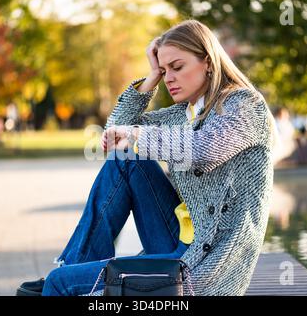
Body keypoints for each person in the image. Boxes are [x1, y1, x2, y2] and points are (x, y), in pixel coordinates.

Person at [17, 19, 276, 296]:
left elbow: (202, 151)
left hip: (206, 266)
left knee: (59, 284)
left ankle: (70, 277)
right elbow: (116, 128)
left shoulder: (245, 105)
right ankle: (74, 269)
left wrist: (136, 134)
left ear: (209, 62)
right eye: (165, 71)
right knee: (126, 159)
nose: (170, 78)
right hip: (175, 241)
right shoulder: (183, 113)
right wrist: (151, 76)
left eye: (177, 67)